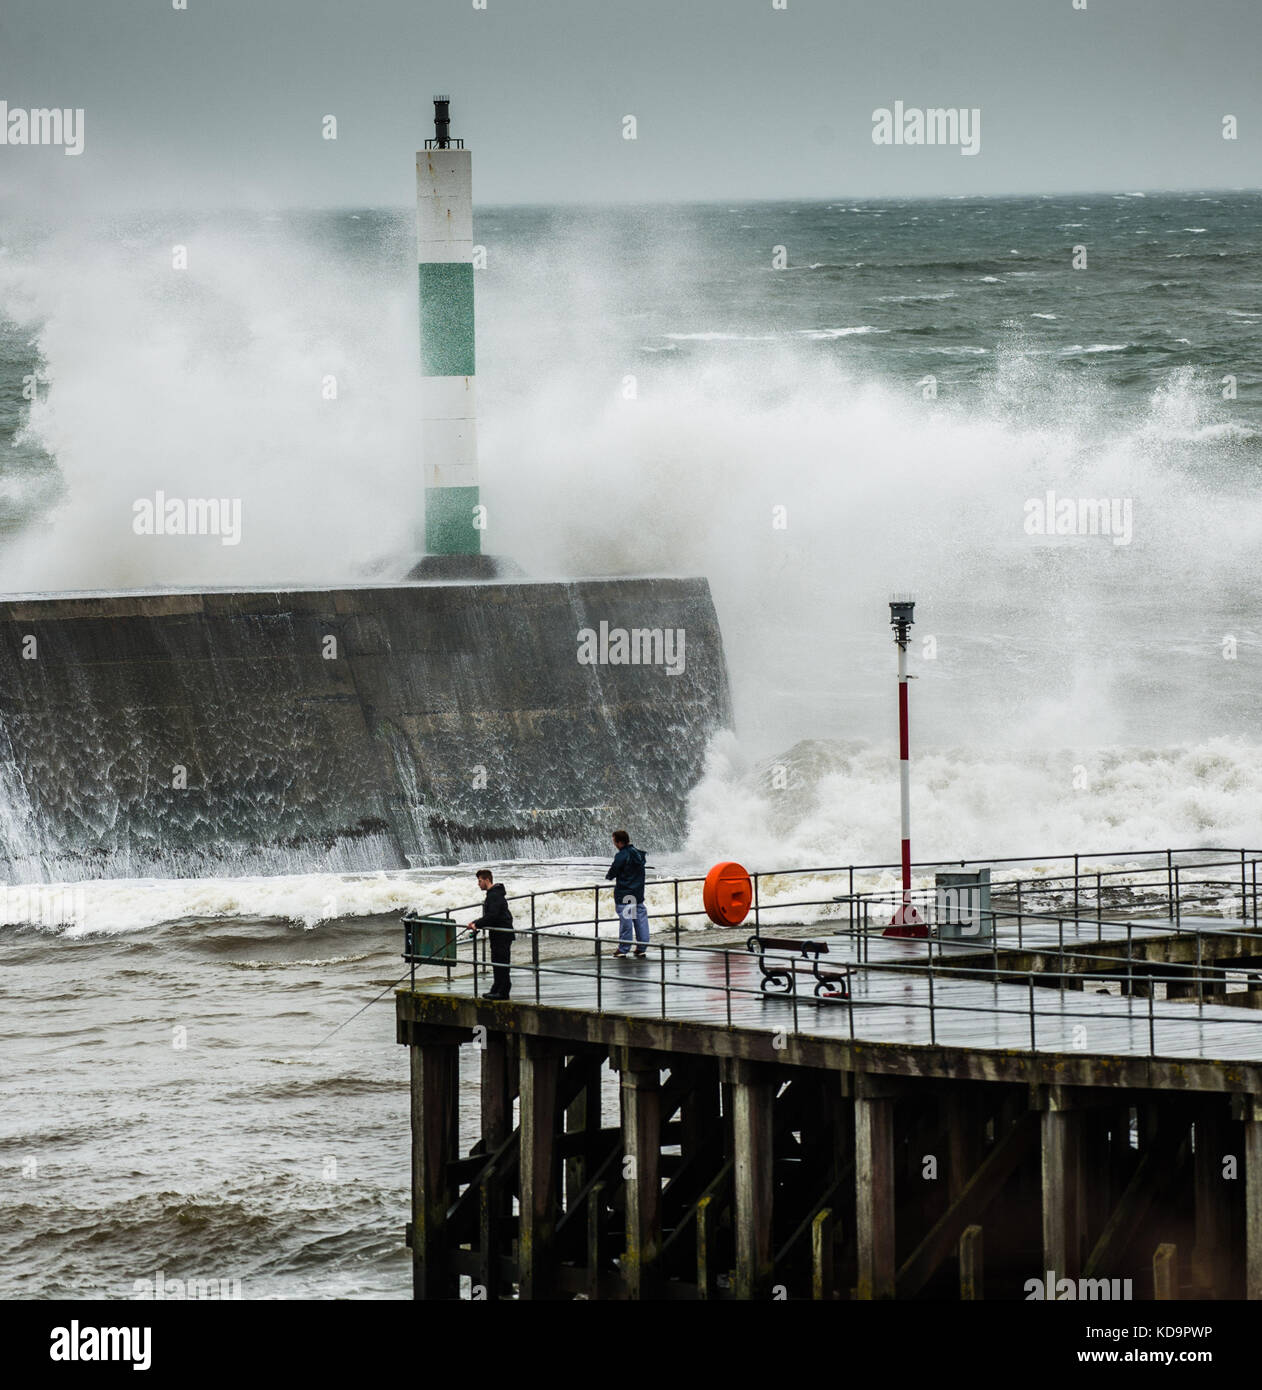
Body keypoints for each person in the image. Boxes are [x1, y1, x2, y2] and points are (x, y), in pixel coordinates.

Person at [468, 869, 513, 999]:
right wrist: (475, 922)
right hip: (498, 933)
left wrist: (477, 925)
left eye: (480, 881)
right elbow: (490, 916)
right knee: (497, 961)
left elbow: (493, 916)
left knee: (501, 962)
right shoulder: (493, 894)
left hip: (502, 933)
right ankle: (497, 987)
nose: (478, 884)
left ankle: (503, 992)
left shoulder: (494, 895)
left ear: (487, 880)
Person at [606, 829, 649, 958]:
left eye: (614, 841)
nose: (614, 843)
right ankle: (641, 947)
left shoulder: (622, 855)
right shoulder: (638, 854)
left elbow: (613, 872)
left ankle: (624, 948)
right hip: (637, 893)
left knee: (626, 921)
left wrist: (609, 875)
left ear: (619, 842)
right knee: (640, 920)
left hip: (625, 894)